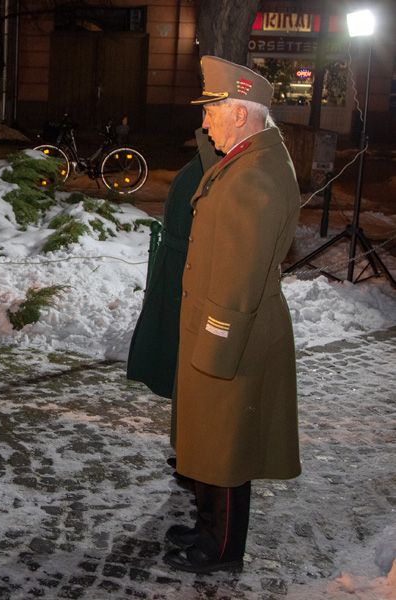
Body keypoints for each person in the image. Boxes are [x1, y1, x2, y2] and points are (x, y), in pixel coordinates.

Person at [162, 55, 302, 574]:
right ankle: (205, 528)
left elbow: (241, 275)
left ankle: (221, 551)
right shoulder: (246, 159)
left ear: (241, 114)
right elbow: (211, 174)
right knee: (207, 436)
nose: (205, 122)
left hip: (232, 332)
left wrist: (216, 341)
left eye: (213, 112)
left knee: (224, 448)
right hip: (220, 327)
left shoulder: (255, 179)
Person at [127, 128, 219, 485]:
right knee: (183, 370)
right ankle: (189, 454)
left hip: (192, 279)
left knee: (196, 374)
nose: (208, 120)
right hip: (180, 272)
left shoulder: (222, 164)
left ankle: (197, 461)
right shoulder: (208, 158)